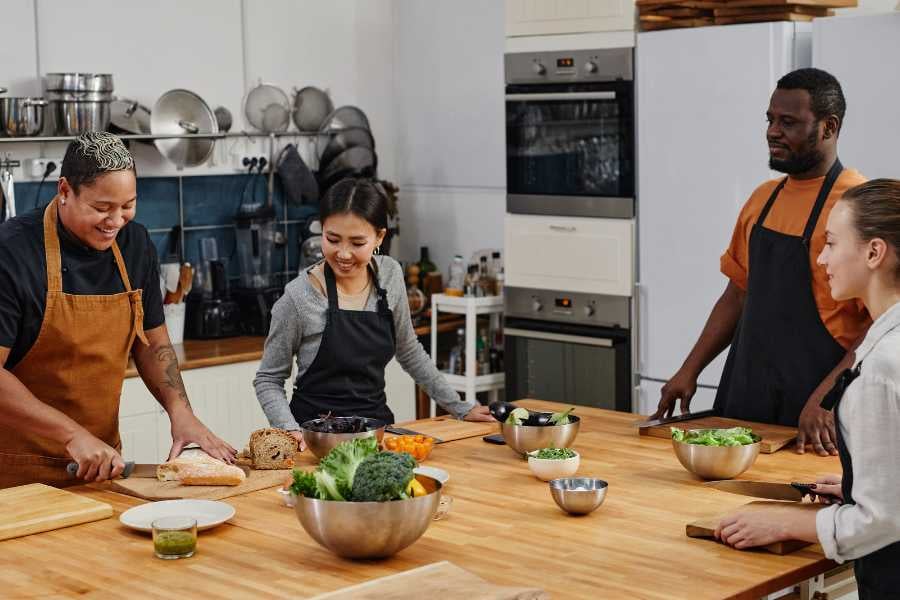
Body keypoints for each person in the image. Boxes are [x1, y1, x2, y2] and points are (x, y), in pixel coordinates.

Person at [653, 68, 870, 455]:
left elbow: (882, 326)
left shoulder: (859, 206)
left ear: (828, 127)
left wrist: (827, 399)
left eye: (788, 122)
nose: (772, 131)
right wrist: (689, 369)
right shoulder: (762, 200)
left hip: (815, 418)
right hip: (746, 395)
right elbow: (737, 294)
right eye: (770, 120)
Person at [0, 132, 235, 488]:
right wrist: (71, 436)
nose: (116, 220)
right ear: (64, 191)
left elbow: (152, 343)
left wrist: (181, 411)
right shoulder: (12, 251)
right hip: (17, 474)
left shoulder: (134, 243)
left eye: (127, 205)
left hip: (100, 466)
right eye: (101, 207)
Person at [715, 179, 900, 599]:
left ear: (874, 253)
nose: (821, 258)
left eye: (832, 244)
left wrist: (784, 522)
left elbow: (884, 520)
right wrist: (864, 481)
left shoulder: (882, 367)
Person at [254, 177, 493, 444]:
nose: (343, 254)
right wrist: (290, 431)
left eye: (357, 243)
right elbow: (268, 379)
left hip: (377, 432)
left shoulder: (390, 274)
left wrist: (459, 407)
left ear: (379, 236)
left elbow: (409, 350)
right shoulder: (298, 297)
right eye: (333, 239)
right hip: (314, 441)